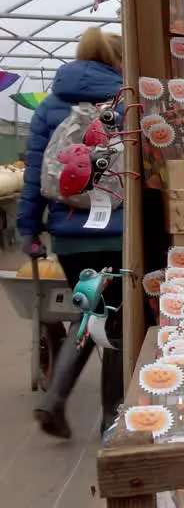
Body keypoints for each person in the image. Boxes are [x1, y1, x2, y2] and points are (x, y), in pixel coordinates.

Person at [18, 28, 125, 439]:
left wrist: (29, 228)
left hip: (68, 237)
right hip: (115, 233)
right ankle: (110, 421)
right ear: (119, 61)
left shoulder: (49, 106)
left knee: (91, 312)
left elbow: (33, 176)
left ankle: (55, 400)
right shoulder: (125, 102)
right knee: (111, 324)